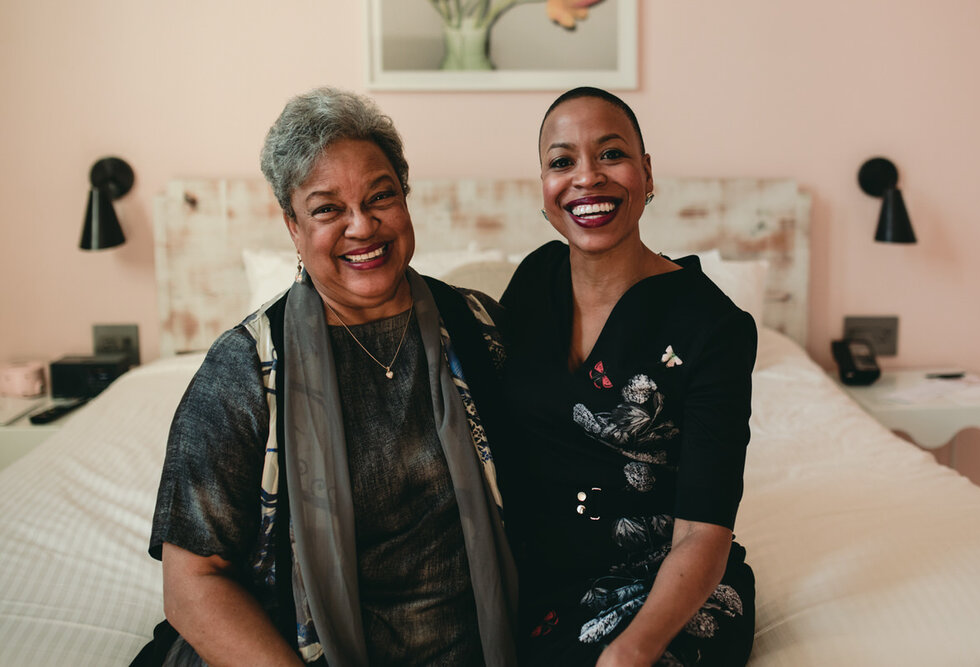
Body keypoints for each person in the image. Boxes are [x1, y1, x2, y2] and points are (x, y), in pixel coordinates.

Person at [134, 87, 517, 667]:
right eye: (327, 209)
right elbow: (193, 584)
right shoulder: (243, 367)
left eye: (380, 196)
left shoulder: (481, 328)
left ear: (405, 199)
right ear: (292, 226)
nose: (362, 226)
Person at [499, 87, 757, 666]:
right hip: (531, 579)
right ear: (543, 188)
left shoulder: (714, 327)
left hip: (663, 588)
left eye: (610, 154)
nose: (586, 178)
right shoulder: (534, 280)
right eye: (562, 162)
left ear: (645, 172)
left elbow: (703, 533)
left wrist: (632, 650)